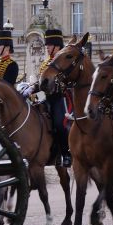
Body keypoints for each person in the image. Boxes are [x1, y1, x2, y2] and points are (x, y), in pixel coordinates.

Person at [40, 29, 72, 168]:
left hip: (58, 96)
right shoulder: (45, 63)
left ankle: (66, 153)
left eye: (49, 44)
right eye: (46, 45)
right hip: (44, 96)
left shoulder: (62, 62)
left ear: (57, 46)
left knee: (59, 124)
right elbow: (40, 83)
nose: (47, 47)